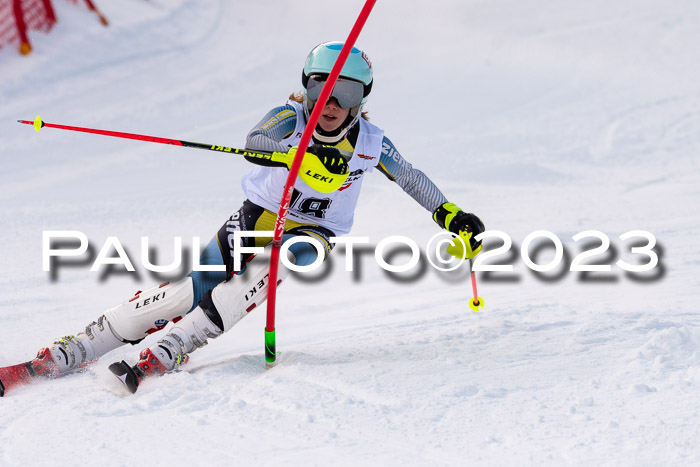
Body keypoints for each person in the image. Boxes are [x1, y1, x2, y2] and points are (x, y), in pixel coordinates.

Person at [23, 42, 485, 392]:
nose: (330, 103)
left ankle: (180, 342)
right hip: (258, 215)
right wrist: (296, 156)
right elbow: (257, 141)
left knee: (277, 261)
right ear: (306, 87)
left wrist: (452, 216)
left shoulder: (371, 142)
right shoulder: (290, 116)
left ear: (362, 99)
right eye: (320, 88)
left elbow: (410, 177)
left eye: (345, 93)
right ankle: (82, 345)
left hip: (314, 231)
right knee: (188, 290)